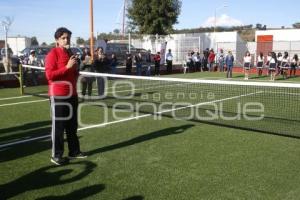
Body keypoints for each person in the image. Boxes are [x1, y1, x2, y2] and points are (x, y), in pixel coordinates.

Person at [45, 27, 86, 165]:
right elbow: (49, 76)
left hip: (72, 94)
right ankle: (56, 155)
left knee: (72, 125)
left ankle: (74, 151)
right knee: (59, 127)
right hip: (58, 95)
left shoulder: (71, 54)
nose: (66, 40)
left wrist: (78, 73)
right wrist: (67, 67)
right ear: (57, 40)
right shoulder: (52, 54)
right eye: (63, 38)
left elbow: (72, 73)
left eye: (68, 37)